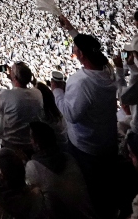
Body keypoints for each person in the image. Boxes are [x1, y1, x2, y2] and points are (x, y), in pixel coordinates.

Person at [51, 31, 118, 217]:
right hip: (108, 141)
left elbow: (71, 114)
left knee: (90, 189)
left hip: (86, 146)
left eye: (75, 48)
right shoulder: (108, 72)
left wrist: (57, 91)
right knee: (106, 187)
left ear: (80, 53)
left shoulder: (81, 81)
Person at [24, 121, 95, 218]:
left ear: (37, 143)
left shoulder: (33, 167)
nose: (30, 141)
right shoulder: (69, 158)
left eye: (31, 138)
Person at [0, 61, 43, 153]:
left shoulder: (7, 95)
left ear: (15, 77)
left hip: (10, 146)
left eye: (11, 70)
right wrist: (13, 78)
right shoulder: (37, 94)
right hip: (30, 146)